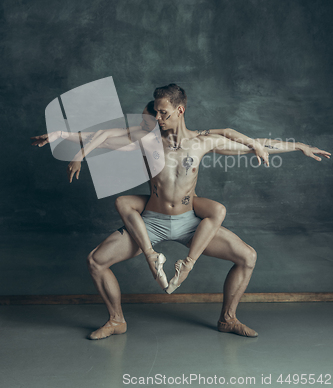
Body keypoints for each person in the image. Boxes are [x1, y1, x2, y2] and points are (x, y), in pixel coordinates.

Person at [31, 84, 330, 340]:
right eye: (156, 112)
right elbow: (102, 137)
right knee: (95, 261)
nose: (157, 118)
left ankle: (227, 318)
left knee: (247, 257)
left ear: (180, 110)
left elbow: (254, 144)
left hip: (190, 224)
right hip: (151, 223)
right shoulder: (146, 141)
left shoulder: (201, 143)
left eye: (163, 113)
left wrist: (298, 146)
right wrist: (60, 135)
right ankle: (116, 320)